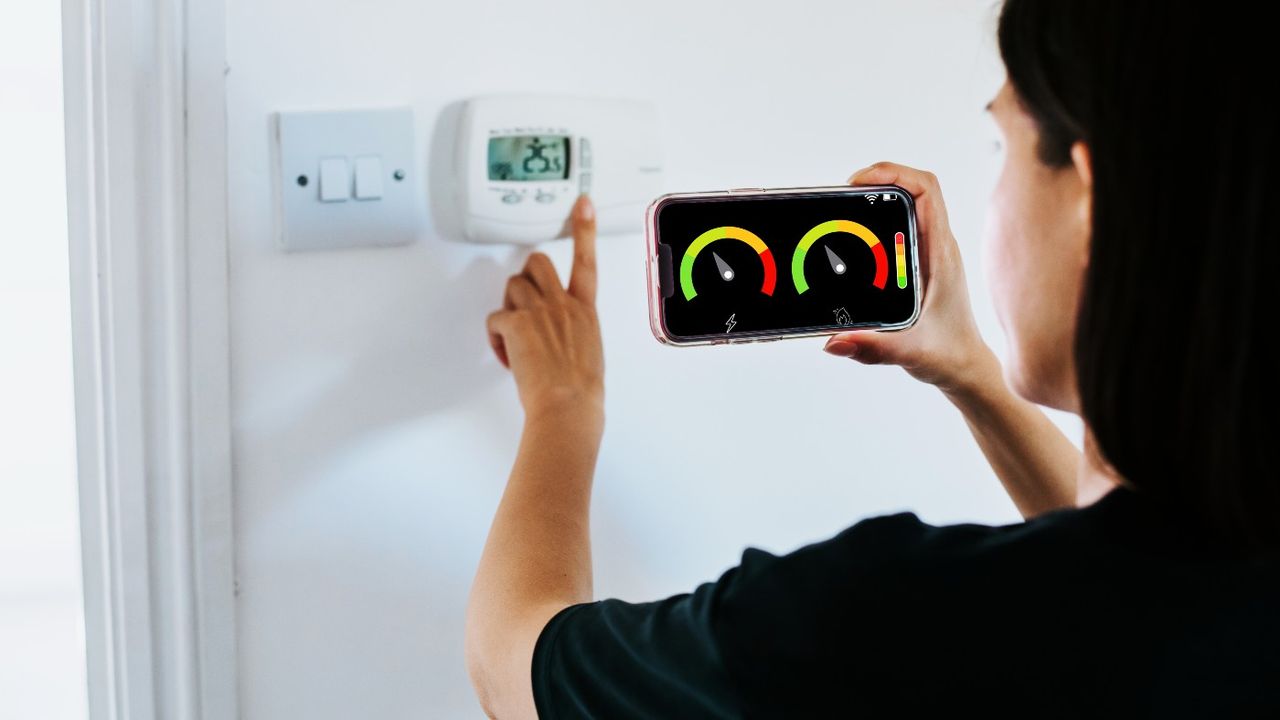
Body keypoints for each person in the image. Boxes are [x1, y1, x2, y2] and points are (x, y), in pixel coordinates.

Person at [465, 1, 1278, 716]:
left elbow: (515, 668)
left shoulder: (884, 623)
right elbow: (1127, 579)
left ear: (1088, 202)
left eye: (1003, 151)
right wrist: (973, 376)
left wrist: (565, 407)